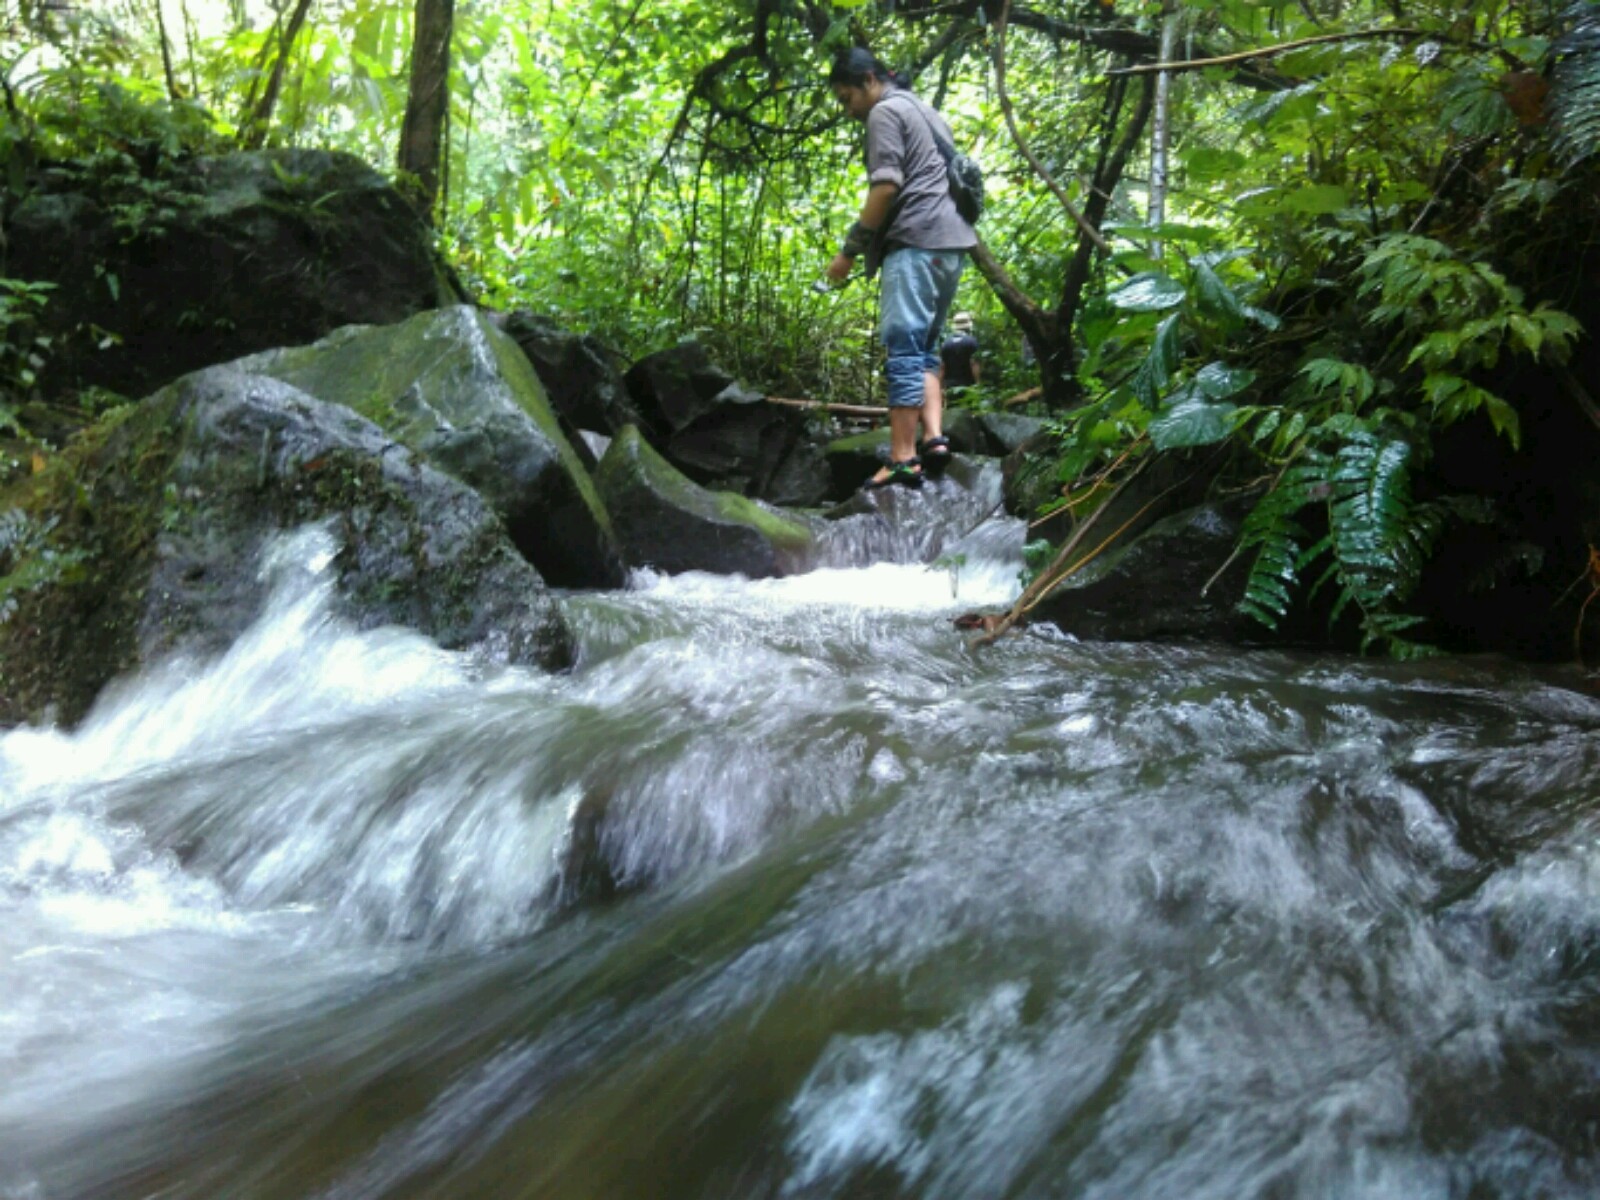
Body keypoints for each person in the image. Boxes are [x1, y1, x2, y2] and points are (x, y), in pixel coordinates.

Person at [825, 48, 977, 488]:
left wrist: (850, 250)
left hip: (915, 241)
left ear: (869, 80)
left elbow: (887, 186)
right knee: (927, 347)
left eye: (846, 96)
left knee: (904, 348)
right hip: (952, 245)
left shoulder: (885, 113)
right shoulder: (927, 111)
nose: (847, 108)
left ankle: (903, 458)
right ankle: (934, 439)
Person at [940, 312, 980, 391]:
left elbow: (942, 366)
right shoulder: (971, 341)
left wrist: (941, 386)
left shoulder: (946, 343)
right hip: (968, 385)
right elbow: (973, 363)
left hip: (949, 386)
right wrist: (978, 383)